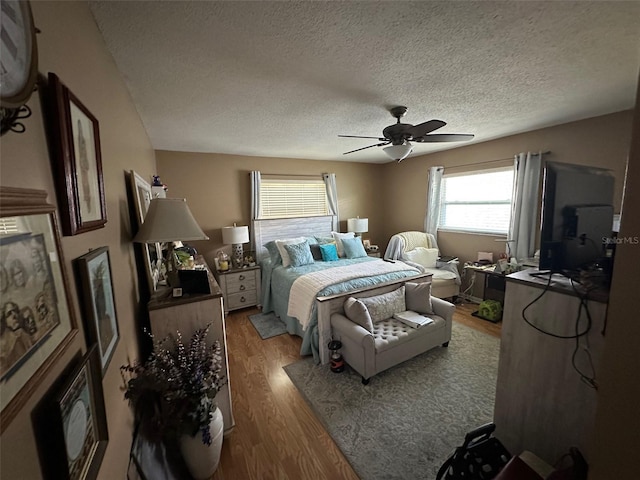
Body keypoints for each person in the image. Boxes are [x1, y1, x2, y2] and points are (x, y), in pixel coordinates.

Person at [1, 301, 34, 376]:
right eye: (9, 314)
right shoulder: (3, 345)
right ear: (4, 321)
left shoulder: (23, 334)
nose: (14, 315)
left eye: (15, 311)